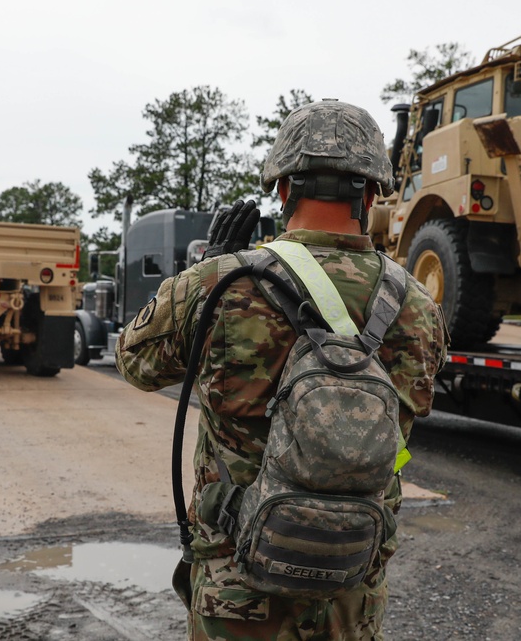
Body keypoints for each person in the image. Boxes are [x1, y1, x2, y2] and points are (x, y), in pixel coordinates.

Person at [116, 99, 448, 640]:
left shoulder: (219, 285)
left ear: (281, 187)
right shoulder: (417, 306)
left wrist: (206, 268)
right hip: (351, 594)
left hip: (238, 589)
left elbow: (135, 363)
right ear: (371, 193)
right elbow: (404, 435)